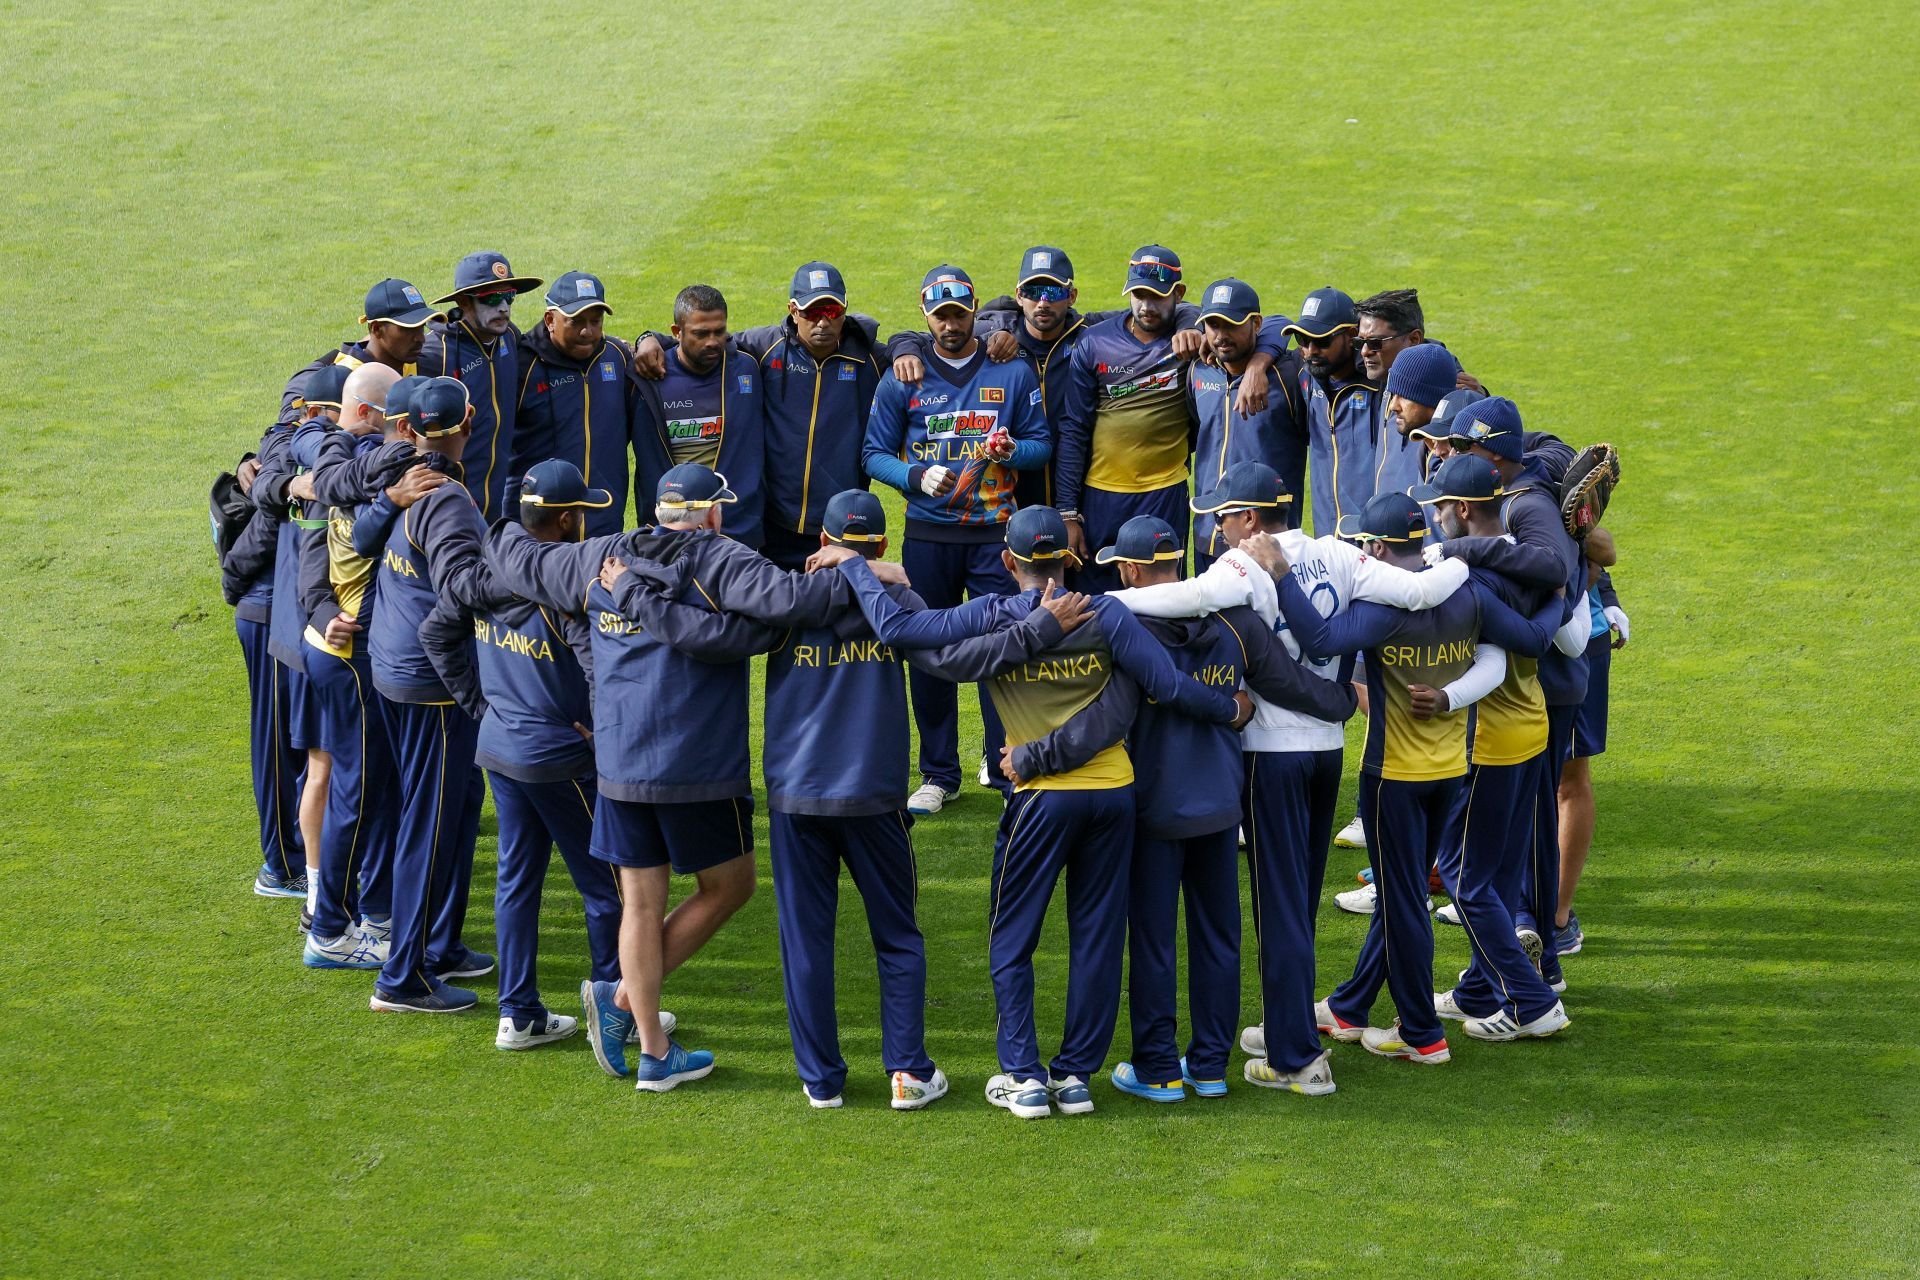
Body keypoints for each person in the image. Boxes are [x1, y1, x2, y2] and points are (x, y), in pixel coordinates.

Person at [833, 506, 1253, 1120]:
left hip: (1040, 800)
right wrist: (1229, 710)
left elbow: (905, 633)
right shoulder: (1106, 611)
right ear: (1070, 558)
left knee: (1013, 939)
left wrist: (865, 573)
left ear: (1007, 561)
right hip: (1114, 796)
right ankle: (1076, 1077)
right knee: (1097, 940)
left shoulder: (994, 614)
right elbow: (1165, 685)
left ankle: (1024, 1076)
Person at [486, 463, 894, 1091]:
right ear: (713, 514)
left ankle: (652, 1049)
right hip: (698, 767)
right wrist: (869, 570)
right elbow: (799, 600)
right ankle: (624, 1000)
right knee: (730, 887)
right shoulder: (725, 561)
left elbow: (523, 564)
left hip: (619, 764)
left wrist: (501, 521)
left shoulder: (600, 555)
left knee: (640, 904)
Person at [1105, 461, 1466, 1090]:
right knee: (1296, 899)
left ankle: (1298, 1059)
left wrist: (1105, 599)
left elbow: (1186, 599)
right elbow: (1418, 592)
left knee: (1279, 909)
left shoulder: (1240, 565)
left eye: (1221, 517)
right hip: (1328, 749)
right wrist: (1465, 561)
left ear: (1249, 519)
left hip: (1268, 752)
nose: (1216, 531)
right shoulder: (1340, 555)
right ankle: (1287, 1023)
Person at [1012, 515, 1353, 1103]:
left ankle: (1158, 1069)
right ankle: (1211, 1066)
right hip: (1221, 807)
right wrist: (1349, 698)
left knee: (1153, 940)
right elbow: (1293, 685)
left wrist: (1035, 757)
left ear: (1131, 569)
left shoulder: (1122, 627)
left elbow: (1106, 718)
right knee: (1218, 937)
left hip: (1150, 811)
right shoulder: (1237, 622)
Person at [1269, 492, 1563, 1064]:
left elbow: (1323, 641)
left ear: (1377, 548)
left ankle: (1420, 1034)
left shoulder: (1383, 607)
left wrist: (1283, 576)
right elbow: (1528, 641)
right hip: (1451, 774)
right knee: (1401, 898)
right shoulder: (1467, 592)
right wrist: (1560, 596)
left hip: (1392, 779)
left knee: (1402, 904)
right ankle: (1352, 1007)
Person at [420, 458, 627, 1050]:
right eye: (581, 515)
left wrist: (482, 709)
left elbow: (436, 632)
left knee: (517, 879)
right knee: (607, 887)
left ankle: (518, 1015)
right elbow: (600, 676)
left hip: (502, 753)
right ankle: (618, 1009)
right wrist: (600, 733)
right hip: (560, 759)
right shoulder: (566, 595)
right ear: (563, 522)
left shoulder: (482, 575)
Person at [861, 265, 1050, 815]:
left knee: (1007, 648)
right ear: (926, 315)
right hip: (929, 535)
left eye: (959, 314)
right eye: (940, 315)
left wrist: (1011, 450)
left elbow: (1041, 443)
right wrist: (914, 477)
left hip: (997, 537)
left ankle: (1004, 760)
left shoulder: (1010, 369)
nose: (950, 325)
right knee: (930, 653)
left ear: (974, 313)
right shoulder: (904, 374)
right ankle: (939, 773)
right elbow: (872, 454)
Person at [1416, 455, 1581, 1040]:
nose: (1435, 519)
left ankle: (1531, 1002)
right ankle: (1478, 991)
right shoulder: (1533, 564)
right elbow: (1549, 628)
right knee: (1502, 873)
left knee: (1468, 880)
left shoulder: (1469, 580)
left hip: (1486, 744)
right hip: (1530, 730)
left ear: (1462, 510)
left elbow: (1527, 637)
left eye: (1439, 507)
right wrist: (1562, 596)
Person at [359, 377, 500, 1014]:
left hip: (392, 670)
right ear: (471, 419)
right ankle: (402, 977)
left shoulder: (401, 480)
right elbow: (461, 590)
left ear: (410, 428)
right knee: (430, 825)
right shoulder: (448, 503)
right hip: (432, 688)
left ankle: (439, 944)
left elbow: (361, 542)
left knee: (455, 804)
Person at [635, 262, 888, 570]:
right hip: (774, 525)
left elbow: (920, 346)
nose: (822, 322)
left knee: (832, 615)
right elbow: (699, 342)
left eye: (832, 311)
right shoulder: (765, 348)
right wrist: (648, 338)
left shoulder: (870, 357)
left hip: (836, 525)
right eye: (811, 312)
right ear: (793, 311)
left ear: (845, 309)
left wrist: (907, 349)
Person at [247, 365, 350, 919]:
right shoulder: (311, 463)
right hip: (312, 634)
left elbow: (264, 480)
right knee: (324, 766)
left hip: (301, 631)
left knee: (325, 765)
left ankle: (322, 889)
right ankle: (317, 894)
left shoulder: (299, 459)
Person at [1054, 246, 1198, 591]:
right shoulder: (1094, 343)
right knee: (1094, 601)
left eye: (1156, 296)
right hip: (1101, 496)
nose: (1146, 306)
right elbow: (1074, 429)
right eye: (1138, 295)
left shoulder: (1190, 342)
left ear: (1178, 293)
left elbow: (1266, 326)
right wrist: (1067, 513)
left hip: (1163, 492)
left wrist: (1195, 322)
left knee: (1163, 597)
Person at [630, 285, 767, 548]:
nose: (713, 341)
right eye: (701, 334)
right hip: (670, 529)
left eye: (719, 331)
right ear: (676, 333)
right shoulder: (648, 376)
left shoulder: (747, 368)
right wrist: (645, 338)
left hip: (737, 529)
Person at [510, 271, 642, 536]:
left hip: (603, 520)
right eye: (576, 321)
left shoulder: (617, 357)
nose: (588, 332)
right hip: (539, 528)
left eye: (596, 321)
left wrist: (649, 338)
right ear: (550, 319)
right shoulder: (522, 364)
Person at [1187, 278, 1307, 571]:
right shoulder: (1198, 371)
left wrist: (1258, 365)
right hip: (1209, 538)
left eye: (1231, 324)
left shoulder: (1288, 376)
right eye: (1213, 326)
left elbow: (1283, 323)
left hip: (1266, 543)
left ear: (1256, 324)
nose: (1221, 335)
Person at [420, 251, 543, 520]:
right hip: (450, 509)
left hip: (498, 505)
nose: (504, 308)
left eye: (509, 296)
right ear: (463, 302)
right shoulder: (433, 353)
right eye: (492, 299)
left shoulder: (509, 336)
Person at [1555, 527, 1627, 955]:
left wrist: (1610, 598)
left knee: (1568, 776)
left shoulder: (1549, 470)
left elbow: (1601, 549)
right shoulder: (1435, 462)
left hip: (1576, 641)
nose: (1439, 452)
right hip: (1497, 638)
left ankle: (1558, 915)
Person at [1284, 286, 1379, 536]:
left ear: (1351, 334)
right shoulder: (1306, 373)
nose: (1311, 350)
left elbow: (1422, 347)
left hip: (1373, 538)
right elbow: (1270, 329)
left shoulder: (1379, 380)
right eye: (1302, 340)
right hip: (1326, 537)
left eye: (1322, 340)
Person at [280, 279, 441, 425]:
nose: (421, 338)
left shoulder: (422, 363)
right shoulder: (339, 382)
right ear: (377, 329)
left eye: (422, 327)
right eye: (407, 329)